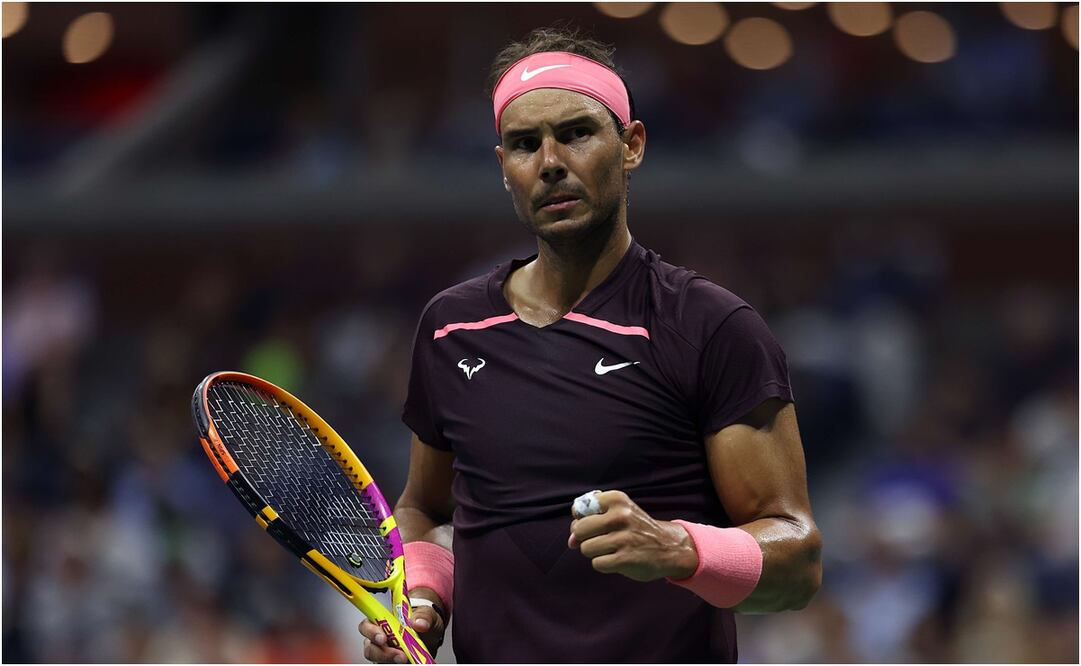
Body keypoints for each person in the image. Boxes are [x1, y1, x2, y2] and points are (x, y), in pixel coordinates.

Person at [360, 26, 822, 663]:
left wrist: (678, 549)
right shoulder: (450, 328)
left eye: (576, 133)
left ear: (631, 146)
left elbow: (797, 563)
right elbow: (428, 511)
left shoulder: (711, 327)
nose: (550, 162)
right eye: (525, 144)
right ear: (504, 168)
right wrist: (425, 599)